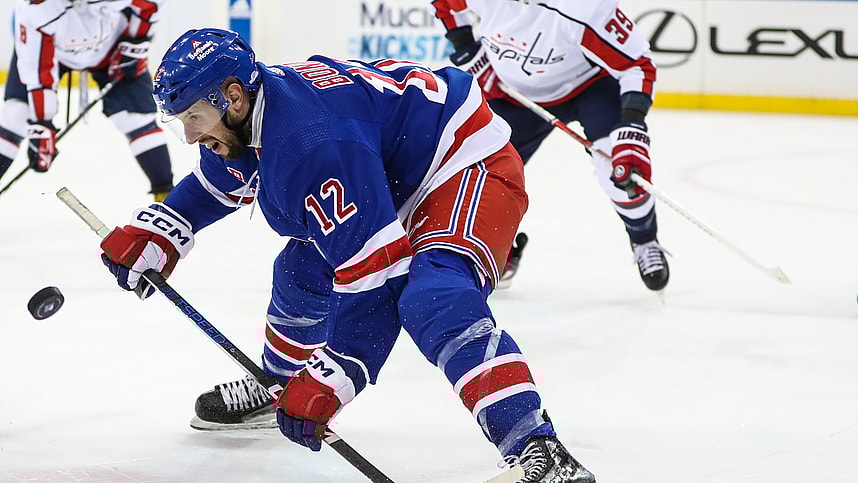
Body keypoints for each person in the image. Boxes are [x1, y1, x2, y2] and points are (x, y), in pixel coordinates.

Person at [98, 28, 596, 482]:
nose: (188, 136)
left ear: (231, 97)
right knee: (302, 269)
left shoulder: (309, 144)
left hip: (463, 160)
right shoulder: (248, 109)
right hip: (389, 164)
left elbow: (377, 284)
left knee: (434, 296)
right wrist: (168, 226)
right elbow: (222, 176)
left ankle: (540, 448)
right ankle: (281, 383)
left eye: (193, 118)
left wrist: (334, 380)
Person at [433, 0, 669, 292]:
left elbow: (637, 64)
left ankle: (644, 239)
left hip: (590, 87)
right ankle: (492, 251)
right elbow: (447, 5)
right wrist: (468, 51)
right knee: (482, 174)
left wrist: (631, 124)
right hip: (515, 95)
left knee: (619, 167)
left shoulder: (585, 8)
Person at [0, 0, 173, 200]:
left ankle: (167, 196)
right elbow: (38, 74)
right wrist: (42, 123)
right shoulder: (35, 9)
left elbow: (151, 3)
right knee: (16, 115)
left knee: (135, 119)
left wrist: (136, 41)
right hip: (53, 53)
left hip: (113, 47)